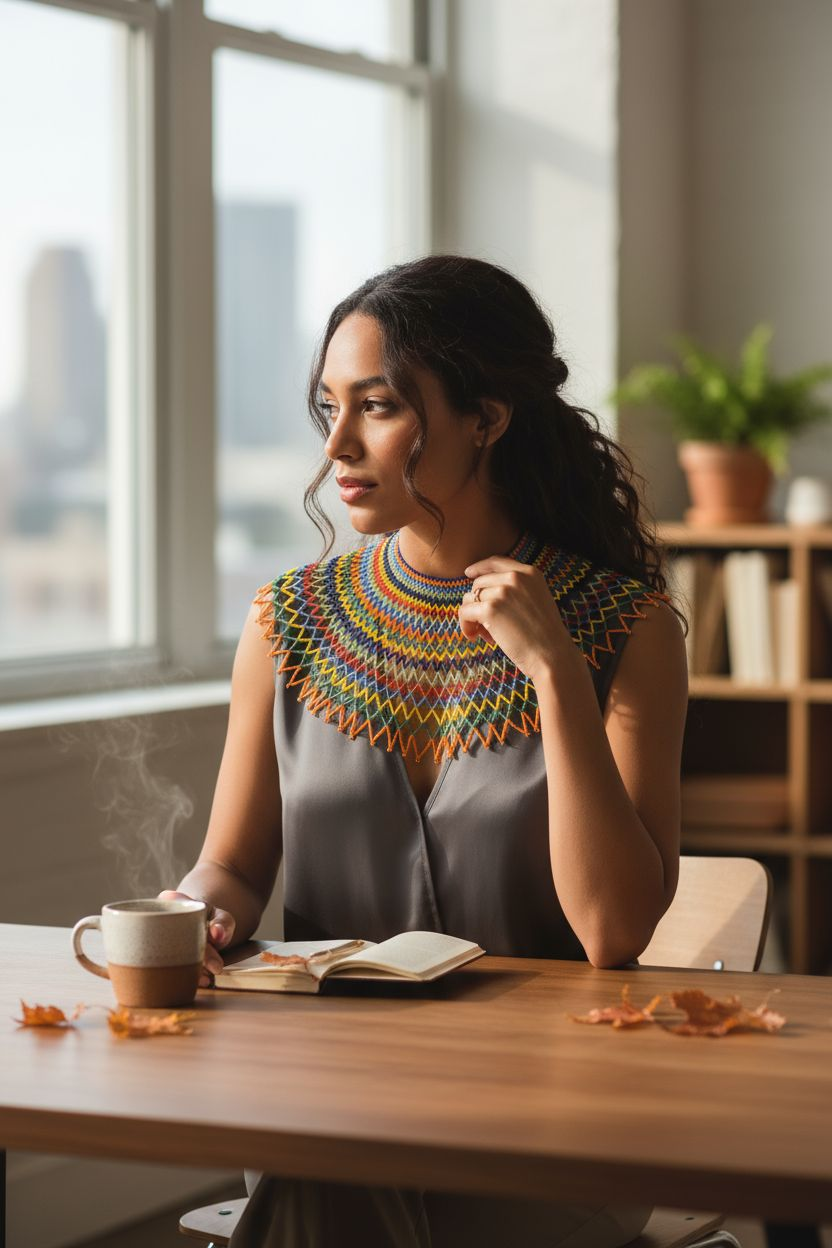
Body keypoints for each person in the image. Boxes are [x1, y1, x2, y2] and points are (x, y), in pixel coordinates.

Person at [163, 254, 688, 1247]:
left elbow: (614, 930)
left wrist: (558, 681)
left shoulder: (628, 629)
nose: (340, 447)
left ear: (485, 419)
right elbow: (232, 865)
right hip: (331, 1090)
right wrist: (197, 916)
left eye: (379, 407)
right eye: (330, 407)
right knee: (337, 1157)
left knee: (334, 1178)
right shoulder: (289, 620)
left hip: (555, 1113)